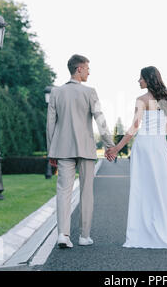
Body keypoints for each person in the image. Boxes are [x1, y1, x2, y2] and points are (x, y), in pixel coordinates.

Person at [106, 66, 167, 249]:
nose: (138, 81)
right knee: (163, 189)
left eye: (141, 78)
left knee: (142, 190)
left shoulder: (141, 100)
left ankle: (143, 232)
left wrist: (117, 148)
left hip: (144, 147)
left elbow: (134, 127)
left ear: (148, 79)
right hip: (160, 148)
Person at [47, 54, 116, 249]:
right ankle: (84, 236)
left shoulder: (56, 92)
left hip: (62, 149)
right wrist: (109, 144)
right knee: (87, 192)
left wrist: (51, 150)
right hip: (85, 148)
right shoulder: (90, 92)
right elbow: (100, 119)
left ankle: (63, 234)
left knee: (63, 192)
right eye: (87, 68)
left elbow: (50, 124)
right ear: (79, 69)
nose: (88, 72)